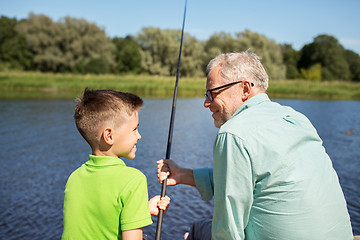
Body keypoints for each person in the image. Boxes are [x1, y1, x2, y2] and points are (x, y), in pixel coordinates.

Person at [157, 51, 353, 240]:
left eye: (212, 93)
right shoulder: (295, 118)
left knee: (198, 229)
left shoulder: (233, 133)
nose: (206, 103)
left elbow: (228, 229)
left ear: (244, 89)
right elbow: (247, 180)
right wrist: (183, 174)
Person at [62, 88, 170, 240]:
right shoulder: (133, 180)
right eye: (134, 129)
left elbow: (101, 215)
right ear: (109, 135)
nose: (139, 136)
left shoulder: (74, 178)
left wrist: (143, 208)